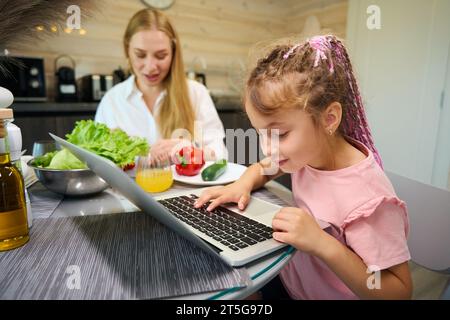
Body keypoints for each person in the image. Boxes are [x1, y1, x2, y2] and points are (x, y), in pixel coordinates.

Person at [194, 35, 412, 299]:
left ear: (329, 119)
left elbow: (398, 291)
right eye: (261, 134)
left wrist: (322, 244)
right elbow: (267, 166)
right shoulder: (308, 153)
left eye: (280, 134)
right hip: (291, 280)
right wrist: (242, 184)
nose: (267, 148)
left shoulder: (368, 199)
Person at [95, 9, 226, 164]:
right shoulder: (112, 101)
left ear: (173, 53)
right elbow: (99, 161)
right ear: (127, 50)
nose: (150, 67)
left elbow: (221, 155)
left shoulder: (196, 93)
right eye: (140, 55)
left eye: (161, 56)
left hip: (188, 189)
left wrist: (190, 151)